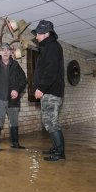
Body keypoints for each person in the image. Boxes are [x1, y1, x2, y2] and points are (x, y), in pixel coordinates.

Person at [0, 42, 27, 153]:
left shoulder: (16, 66)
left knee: (14, 122)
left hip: (13, 100)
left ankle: (15, 143)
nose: (5, 52)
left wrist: (17, 90)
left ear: (11, 52)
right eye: (3, 49)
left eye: (7, 49)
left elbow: (23, 80)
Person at [32, 20, 66, 161]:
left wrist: (41, 88)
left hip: (50, 91)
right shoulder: (48, 47)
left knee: (51, 122)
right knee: (49, 121)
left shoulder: (52, 47)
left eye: (38, 34)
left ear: (46, 34)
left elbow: (51, 71)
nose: (36, 37)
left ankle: (59, 153)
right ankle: (55, 148)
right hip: (49, 92)